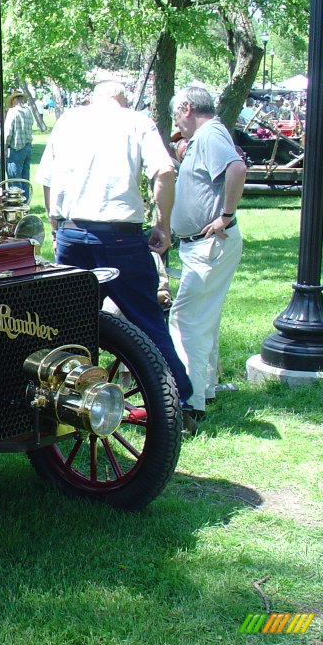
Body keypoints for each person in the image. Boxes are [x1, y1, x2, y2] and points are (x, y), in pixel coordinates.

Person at [38, 80, 194, 411]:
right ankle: (178, 397)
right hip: (120, 235)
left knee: (69, 323)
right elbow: (165, 171)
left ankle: (69, 393)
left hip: (72, 232)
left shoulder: (68, 121)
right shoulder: (136, 121)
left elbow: (47, 180)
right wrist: (163, 226)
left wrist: (55, 225)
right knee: (146, 319)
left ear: (94, 99)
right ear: (121, 99)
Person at [168, 85, 247, 433]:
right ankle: (206, 389)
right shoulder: (207, 136)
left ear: (186, 108)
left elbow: (237, 169)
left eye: (176, 118)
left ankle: (190, 400)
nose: (177, 127)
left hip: (209, 244)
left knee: (186, 318)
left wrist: (225, 216)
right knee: (203, 318)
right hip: (201, 244)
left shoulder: (211, 133)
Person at [3, 90, 34, 196]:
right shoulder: (28, 111)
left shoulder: (13, 112)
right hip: (27, 147)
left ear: (14, 101)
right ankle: (26, 203)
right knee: (25, 177)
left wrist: (4, 147)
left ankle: (18, 205)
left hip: (16, 148)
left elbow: (7, 133)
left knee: (14, 179)